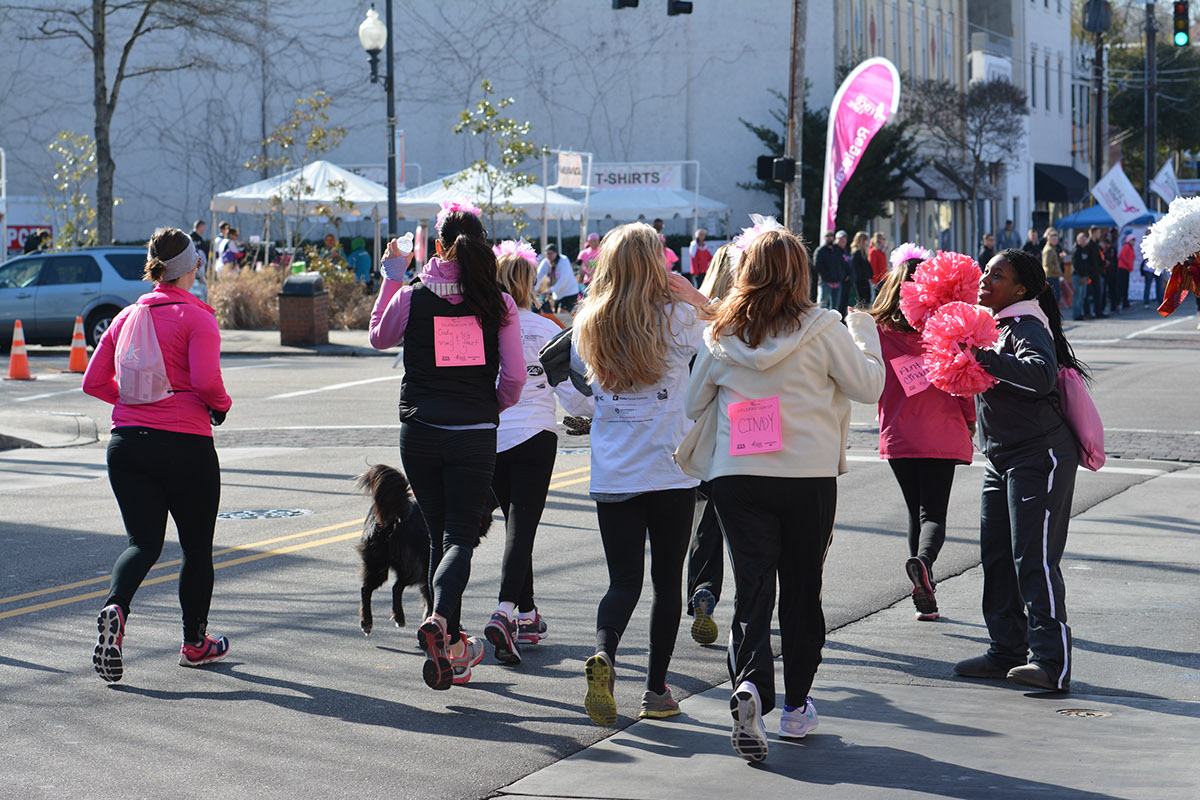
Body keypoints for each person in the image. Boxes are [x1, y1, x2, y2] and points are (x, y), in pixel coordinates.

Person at [685, 228, 884, 762]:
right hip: (807, 474)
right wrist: (867, 338)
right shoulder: (825, 327)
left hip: (738, 475)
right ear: (803, 272)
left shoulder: (721, 331)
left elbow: (690, 403)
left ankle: (750, 684)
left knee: (752, 587)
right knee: (802, 588)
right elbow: (868, 387)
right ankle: (796, 706)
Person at [368, 206, 525, 690]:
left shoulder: (414, 295)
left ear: (438, 246)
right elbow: (515, 378)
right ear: (485, 246)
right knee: (458, 538)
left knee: (439, 534)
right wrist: (486, 407)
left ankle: (451, 640)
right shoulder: (497, 301)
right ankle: (440, 622)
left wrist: (392, 277)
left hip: (420, 429)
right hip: (473, 431)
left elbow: (379, 337)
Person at [81, 227, 233, 683]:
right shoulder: (198, 318)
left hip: (126, 444)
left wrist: (134, 403)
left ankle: (115, 608)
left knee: (142, 543)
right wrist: (222, 407)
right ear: (192, 268)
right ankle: (194, 643)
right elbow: (207, 384)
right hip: (185, 444)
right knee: (195, 548)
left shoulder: (126, 316)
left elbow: (93, 381)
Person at [573, 222, 709, 726]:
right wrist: (693, 293)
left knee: (622, 581)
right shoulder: (677, 318)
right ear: (656, 265)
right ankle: (655, 691)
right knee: (666, 583)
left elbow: (576, 392)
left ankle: (605, 656)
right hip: (669, 469)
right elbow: (726, 327)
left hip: (614, 472)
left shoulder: (589, 320)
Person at [953, 247, 1087, 693]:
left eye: (998, 276)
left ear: (1022, 288)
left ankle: (1051, 662)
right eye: (985, 272)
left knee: (1034, 559)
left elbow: (1040, 375)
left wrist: (981, 357)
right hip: (1002, 458)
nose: (985, 281)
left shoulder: (1025, 324)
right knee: (997, 557)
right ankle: (1005, 649)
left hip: (1040, 456)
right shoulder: (992, 323)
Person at [483, 244, 593, 665]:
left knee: (515, 525)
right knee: (522, 528)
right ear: (530, 283)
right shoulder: (547, 329)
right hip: (535, 435)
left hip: (492, 435)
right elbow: (574, 396)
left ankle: (527, 614)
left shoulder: (482, 327)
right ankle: (505, 611)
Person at [870, 255, 976, 622]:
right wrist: (970, 421)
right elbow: (964, 381)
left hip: (899, 435)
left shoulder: (878, 332)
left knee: (915, 510)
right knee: (933, 514)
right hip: (941, 429)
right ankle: (924, 565)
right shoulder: (944, 328)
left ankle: (924, 591)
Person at [535, 245, 581, 314]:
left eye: (550, 254)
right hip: (558, 294)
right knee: (557, 316)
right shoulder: (546, 262)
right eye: (547, 254)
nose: (548, 256)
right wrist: (533, 290)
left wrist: (551, 290)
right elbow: (539, 276)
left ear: (556, 253)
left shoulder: (564, 260)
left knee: (562, 314)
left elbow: (563, 279)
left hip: (569, 292)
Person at [813, 231, 843, 312]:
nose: (829, 238)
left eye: (831, 236)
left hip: (837, 282)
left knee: (835, 307)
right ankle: (821, 323)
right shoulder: (820, 251)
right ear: (824, 238)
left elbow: (842, 264)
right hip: (825, 282)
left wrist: (841, 276)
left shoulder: (837, 250)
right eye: (827, 236)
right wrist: (827, 275)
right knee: (823, 305)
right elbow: (817, 266)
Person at [1070, 231, 1096, 320]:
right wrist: (1081, 275)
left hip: (1084, 276)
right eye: (1082, 239)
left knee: (1082, 296)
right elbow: (1076, 265)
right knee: (1078, 296)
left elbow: (1086, 264)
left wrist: (1086, 274)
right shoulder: (1076, 250)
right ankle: (1076, 315)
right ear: (1078, 240)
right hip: (1078, 276)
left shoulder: (1084, 250)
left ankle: (1080, 313)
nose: (1083, 241)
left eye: (1085, 239)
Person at [849, 230, 873, 307]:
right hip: (860, 280)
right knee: (862, 300)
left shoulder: (863, 252)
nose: (867, 242)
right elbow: (857, 268)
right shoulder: (857, 253)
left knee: (867, 299)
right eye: (865, 240)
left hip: (864, 279)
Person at [1041, 228, 1064, 306]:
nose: (1055, 241)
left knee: (1055, 298)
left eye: (1056, 239)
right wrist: (1058, 271)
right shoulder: (1049, 250)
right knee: (1053, 299)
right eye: (1053, 239)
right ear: (1048, 239)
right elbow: (1048, 265)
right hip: (1051, 276)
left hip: (1053, 276)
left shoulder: (1053, 248)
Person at [834, 230, 853, 318]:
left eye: (844, 239)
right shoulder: (835, 251)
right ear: (836, 239)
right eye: (841, 239)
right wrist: (843, 276)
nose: (843, 241)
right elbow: (836, 266)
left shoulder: (845, 251)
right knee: (838, 304)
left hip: (847, 283)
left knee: (844, 304)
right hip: (840, 282)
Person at [1115, 232, 1135, 311]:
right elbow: (1122, 256)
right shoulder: (1126, 246)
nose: (1133, 242)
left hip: (1126, 269)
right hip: (1123, 269)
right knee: (1122, 287)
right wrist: (1128, 264)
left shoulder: (1129, 247)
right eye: (1132, 240)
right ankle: (1120, 303)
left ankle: (1124, 303)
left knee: (1125, 287)